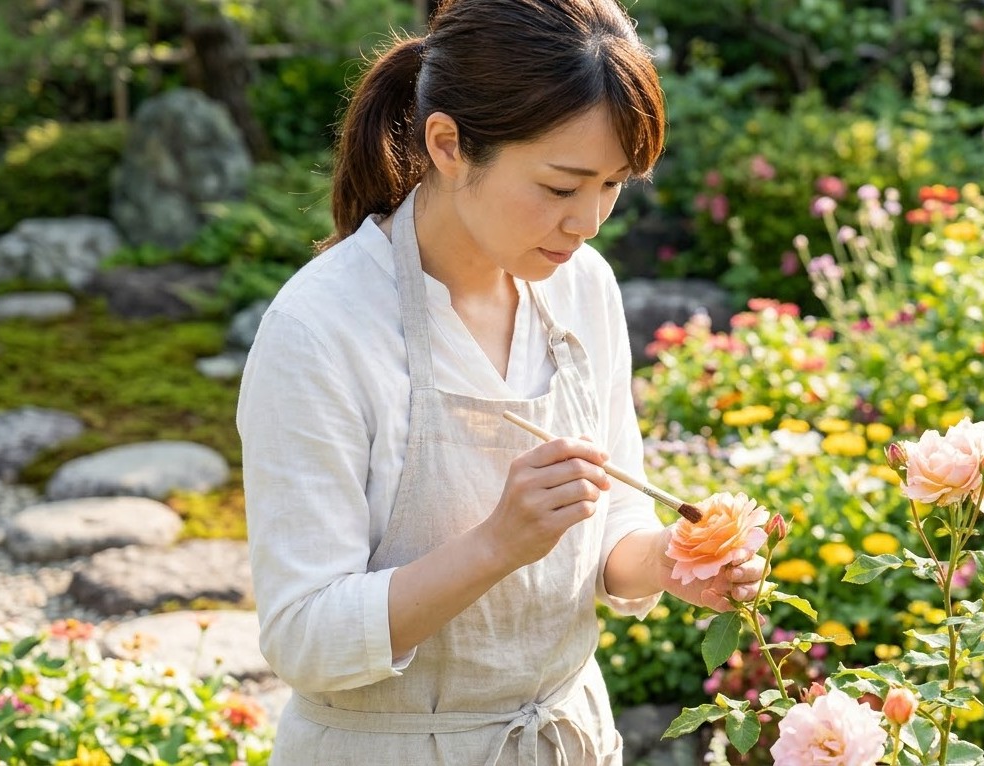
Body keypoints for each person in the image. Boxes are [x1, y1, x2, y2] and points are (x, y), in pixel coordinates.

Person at [236, 1, 765, 763]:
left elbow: (611, 522)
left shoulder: (583, 287)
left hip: (564, 737)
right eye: (560, 187)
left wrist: (677, 563)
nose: (589, 222)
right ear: (448, 144)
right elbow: (303, 636)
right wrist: (495, 545)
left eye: (614, 184)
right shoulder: (322, 328)